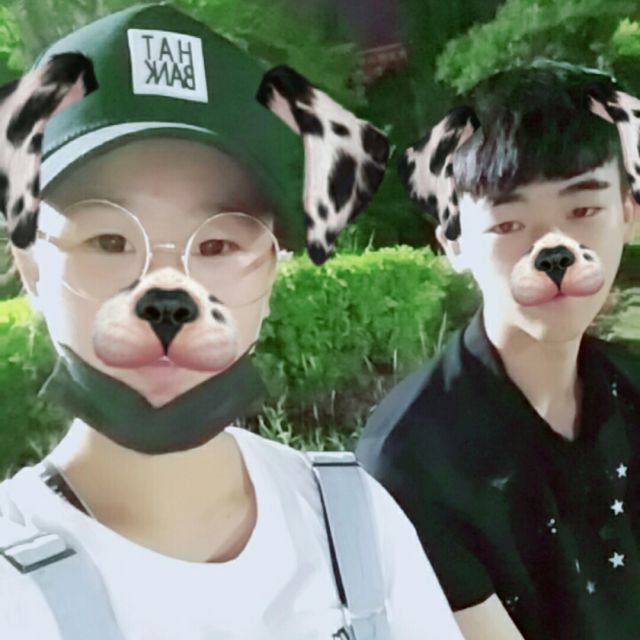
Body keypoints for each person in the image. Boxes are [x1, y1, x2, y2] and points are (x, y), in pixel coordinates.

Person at [0, 4, 463, 639]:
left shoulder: (355, 524)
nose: (168, 292)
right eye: (109, 241)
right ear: (32, 267)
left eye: (218, 246)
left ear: (271, 269)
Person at [357, 61, 640, 640]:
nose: (553, 249)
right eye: (509, 224)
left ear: (630, 214)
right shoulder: (411, 458)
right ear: (454, 242)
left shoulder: (630, 387)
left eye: (583, 211)